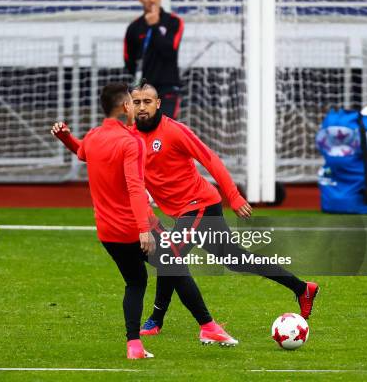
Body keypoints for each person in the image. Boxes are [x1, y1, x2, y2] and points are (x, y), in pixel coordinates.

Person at [52, 83, 319, 337]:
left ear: (158, 103)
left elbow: (210, 159)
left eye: (147, 101)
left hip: (200, 205)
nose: (142, 106)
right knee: (236, 260)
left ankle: (157, 319)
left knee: (169, 256)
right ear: (127, 106)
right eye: (137, 102)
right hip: (182, 212)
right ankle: (302, 288)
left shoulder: (174, 131)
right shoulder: (128, 136)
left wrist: (234, 197)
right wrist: (67, 138)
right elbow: (90, 153)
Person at [51, 83, 238, 358]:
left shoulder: (92, 137)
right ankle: (207, 325)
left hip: (106, 231)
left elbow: (82, 153)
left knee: (136, 283)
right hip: (134, 226)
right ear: (124, 106)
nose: (136, 107)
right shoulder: (131, 141)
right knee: (174, 265)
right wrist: (143, 230)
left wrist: (66, 137)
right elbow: (136, 187)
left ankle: (134, 345)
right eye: (132, 102)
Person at [124, 0, 184, 119]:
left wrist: (155, 25)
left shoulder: (174, 22)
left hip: (168, 89)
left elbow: (170, 51)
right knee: (144, 136)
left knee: (166, 132)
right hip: (144, 91)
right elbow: (128, 59)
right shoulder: (134, 27)